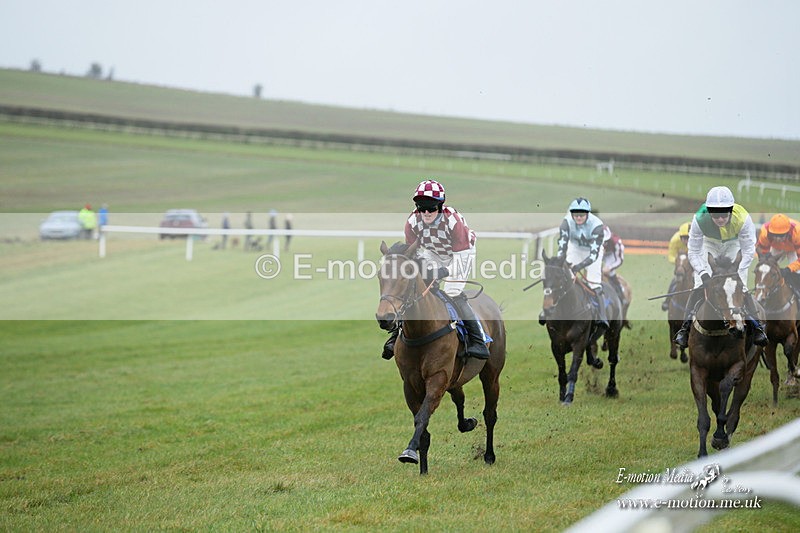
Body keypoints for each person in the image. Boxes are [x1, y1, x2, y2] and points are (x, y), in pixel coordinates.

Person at [381, 179, 490, 360]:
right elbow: (413, 254)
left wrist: (443, 272)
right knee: (415, 289)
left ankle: (478, 340)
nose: (426, 212)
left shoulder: (452, 220)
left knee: (453, 292)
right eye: (421, 208)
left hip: (461, 253)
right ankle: (396, 335)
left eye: (431, 208)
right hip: (433, 253)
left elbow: (460, 256)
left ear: (440, 206)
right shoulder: (412, 222)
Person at [673, 186, 768, 348]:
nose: (720, 219)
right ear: (709, 212)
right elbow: (694, 251)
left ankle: (757, 327)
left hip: (733, 244)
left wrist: (738, 271)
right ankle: (685, 329)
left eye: (724, 214)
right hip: (708, 244)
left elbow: (748, 250)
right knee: (698, 286)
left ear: (731, 210)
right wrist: (703, 273)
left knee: (740, 287)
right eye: (715, 215)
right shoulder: (699, 218)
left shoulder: (743, 218)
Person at [551, 197, 609, 339]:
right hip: (575, 249)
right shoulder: (566, 222)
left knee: (593, 281)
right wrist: (560, 263)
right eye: (575, 214)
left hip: (593, 252)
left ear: (587, 214)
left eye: (581, 214)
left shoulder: (597, 225)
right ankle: (550, 310)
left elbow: (593, 255)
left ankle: (602, 316)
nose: (578, 217)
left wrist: (578, 267)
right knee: (563, 278)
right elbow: (562, 246)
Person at [756, 213, 800, 297]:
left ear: (788, 232)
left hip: (794, 248)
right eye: (775, 235)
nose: (778, 238)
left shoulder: (797, 232)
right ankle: (763, 291)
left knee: (797, 271)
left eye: (781, 235)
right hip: (776, 247)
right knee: (766, 269)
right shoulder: (765, 232)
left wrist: (788, 269)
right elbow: (763, 255)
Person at [661, 221, 691, 311]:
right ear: (680, 237)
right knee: (676, 280)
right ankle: (667, 300)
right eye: (684, 238)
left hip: (694, 263)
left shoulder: (699, 239)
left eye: (689, 238)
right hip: (681, 265)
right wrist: (681, 262)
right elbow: (671, 256)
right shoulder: (674, 240)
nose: (687, 241)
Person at [602, 225, 627, 308]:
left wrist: (609, 268)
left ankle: (621, 295)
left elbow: (620, 259)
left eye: (605, 242)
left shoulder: (616, 242)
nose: (603, 244)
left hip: (610, 254)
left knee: (610, 273)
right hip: (597, 253)